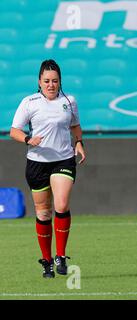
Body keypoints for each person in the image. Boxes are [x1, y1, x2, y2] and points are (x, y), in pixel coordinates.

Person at [10, 59, 86, 278]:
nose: (51, 85)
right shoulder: (29, 102)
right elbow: (14, 130)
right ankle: (47, 261)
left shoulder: (69, 101)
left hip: (63, 160)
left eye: (55, 81)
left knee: (61, 204)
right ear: (39, 82)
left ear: (60, 81)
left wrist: (79, 142)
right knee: (43, 213)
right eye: (46, 81)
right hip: (37, 163)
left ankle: (60, 255)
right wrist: (28, 139)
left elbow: (75, 125)